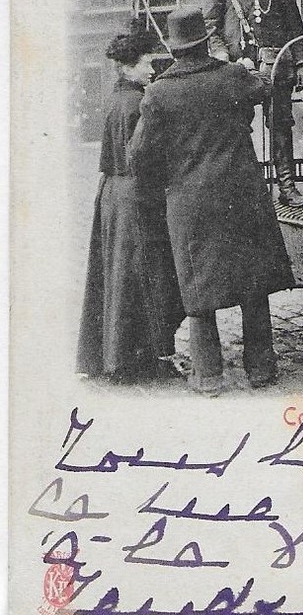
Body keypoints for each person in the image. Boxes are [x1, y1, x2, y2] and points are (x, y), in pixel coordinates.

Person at [129, 6, 295, 395]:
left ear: (173, 50)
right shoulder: (232, 77)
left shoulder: (158, 94)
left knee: (198, 290)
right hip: (242, 195)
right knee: (252, 285)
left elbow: (138, 157)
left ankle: (208, 376)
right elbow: (264, 88)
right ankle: (262, 369)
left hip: (190, 203)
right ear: (205, 43)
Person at [76, 19, 185, 384]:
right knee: (148, 278)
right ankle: (141, 360)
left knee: (118, 277)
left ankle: (117, 357)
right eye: (146, 63)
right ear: (128, 65)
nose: (153, 68)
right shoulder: (139, 102)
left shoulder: (116, 97)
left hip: (113, 196)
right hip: (136, 197)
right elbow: (145, 157)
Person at [202, 0, 303, 208]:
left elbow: (293, 22)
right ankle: (244, 192)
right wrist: (223, 57)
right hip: (239, 67)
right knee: (237, 128)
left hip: (276, 63)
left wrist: (301, 62)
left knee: (281, 125)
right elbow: (210, 26)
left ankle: (287, 187)